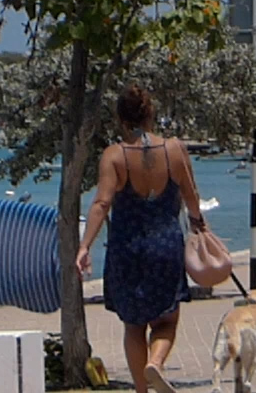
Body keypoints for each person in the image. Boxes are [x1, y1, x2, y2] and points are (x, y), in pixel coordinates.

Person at [77, 84, 207, 393]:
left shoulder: (114, 155)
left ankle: (141, 390)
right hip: (165, 246)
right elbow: (191, 196)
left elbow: (101, 203)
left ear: (121, 119)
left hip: (126, 248)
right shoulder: (174, 149)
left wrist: (84, 247)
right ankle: (156, 363)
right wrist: (200, 225)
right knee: (167, 320)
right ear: (151, 114)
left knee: (133, 325)